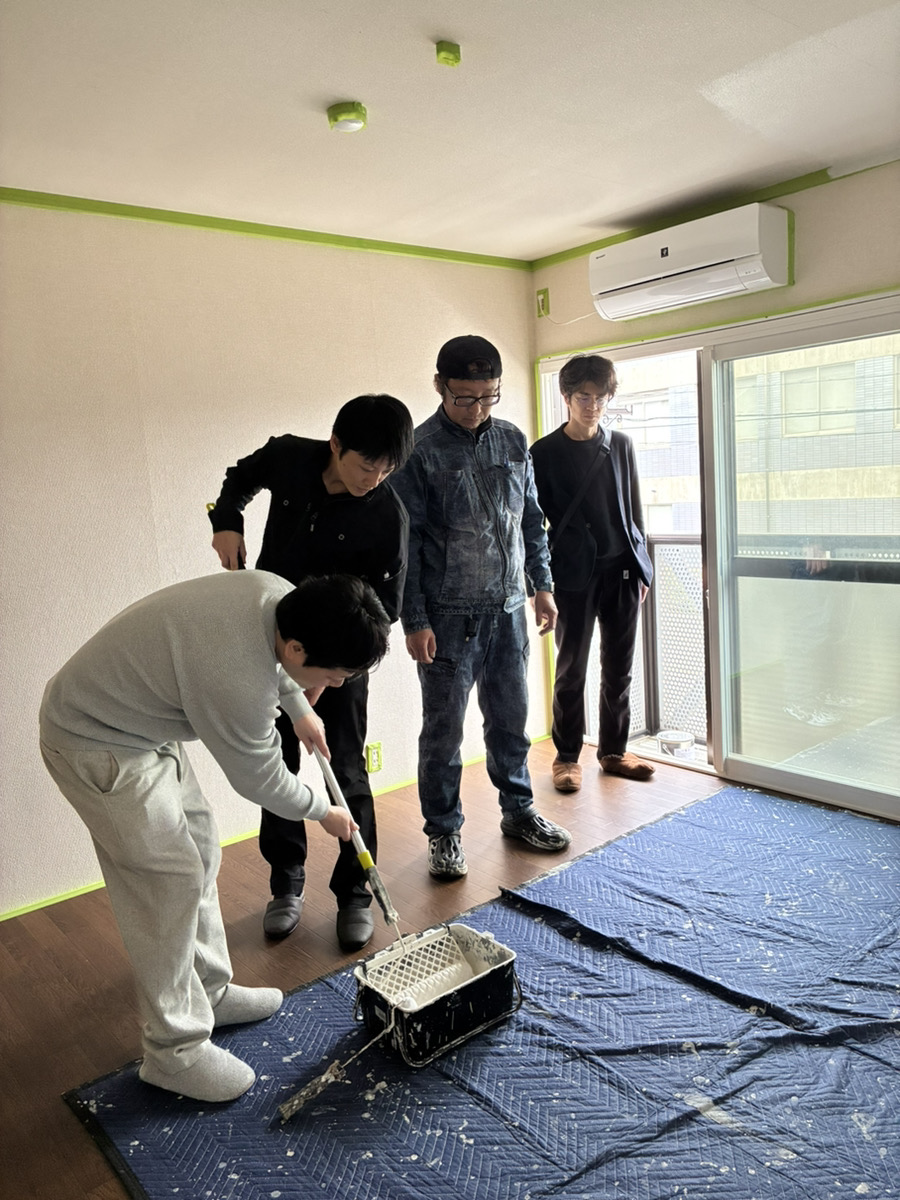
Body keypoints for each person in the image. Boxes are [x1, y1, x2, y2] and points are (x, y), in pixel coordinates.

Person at [39, 570, 391, 1102]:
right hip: (95, 738)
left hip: (137, 723)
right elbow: (261, 780)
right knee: (167, 885)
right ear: (298, 649)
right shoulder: (236, 677)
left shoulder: (279, 596)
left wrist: (299, 707)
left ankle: (208, 990)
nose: (338, 685)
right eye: (335, 674)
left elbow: (275, 664)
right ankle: (173, 1052)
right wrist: (324, 811)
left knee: (201, 850)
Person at [207, 395, 412, 953]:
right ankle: (286, 882)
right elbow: (237, 480)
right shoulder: (290, 457)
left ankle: (356, 893)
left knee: (344, 766)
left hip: (342, 660)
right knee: (277, 762)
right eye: (367, 465)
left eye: (388, 469)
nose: (375, 479)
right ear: (336, 445)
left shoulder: (387, 514)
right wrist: (227, 522)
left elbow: (386, 611)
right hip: (274, 645)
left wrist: (327, 678)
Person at [391, 335, 571, 880]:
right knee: (443, 735)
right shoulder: (418, 451)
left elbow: (531, 520)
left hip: (509, 609)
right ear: (439, 387)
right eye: (465, 397)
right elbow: (407, 546)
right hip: (448, 617)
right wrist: (415, 619)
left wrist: (542, 586)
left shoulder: (513, 440)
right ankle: (444, 832)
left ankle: (519, 812)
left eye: (489, 396)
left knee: (511, 722)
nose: (477, 409)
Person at [530, 354, 654, 793]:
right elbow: (532, 525)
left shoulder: (621, 444)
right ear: (566, 397)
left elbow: (635, 510)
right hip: (572, 577)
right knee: (571, 670)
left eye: (601, 397)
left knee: (619, 668)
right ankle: (566, 757)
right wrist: (539, 585)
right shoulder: (543, 453)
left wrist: (642, 568)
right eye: (584, 396)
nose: (593, 405)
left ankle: (613, 752)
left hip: (623, 572)